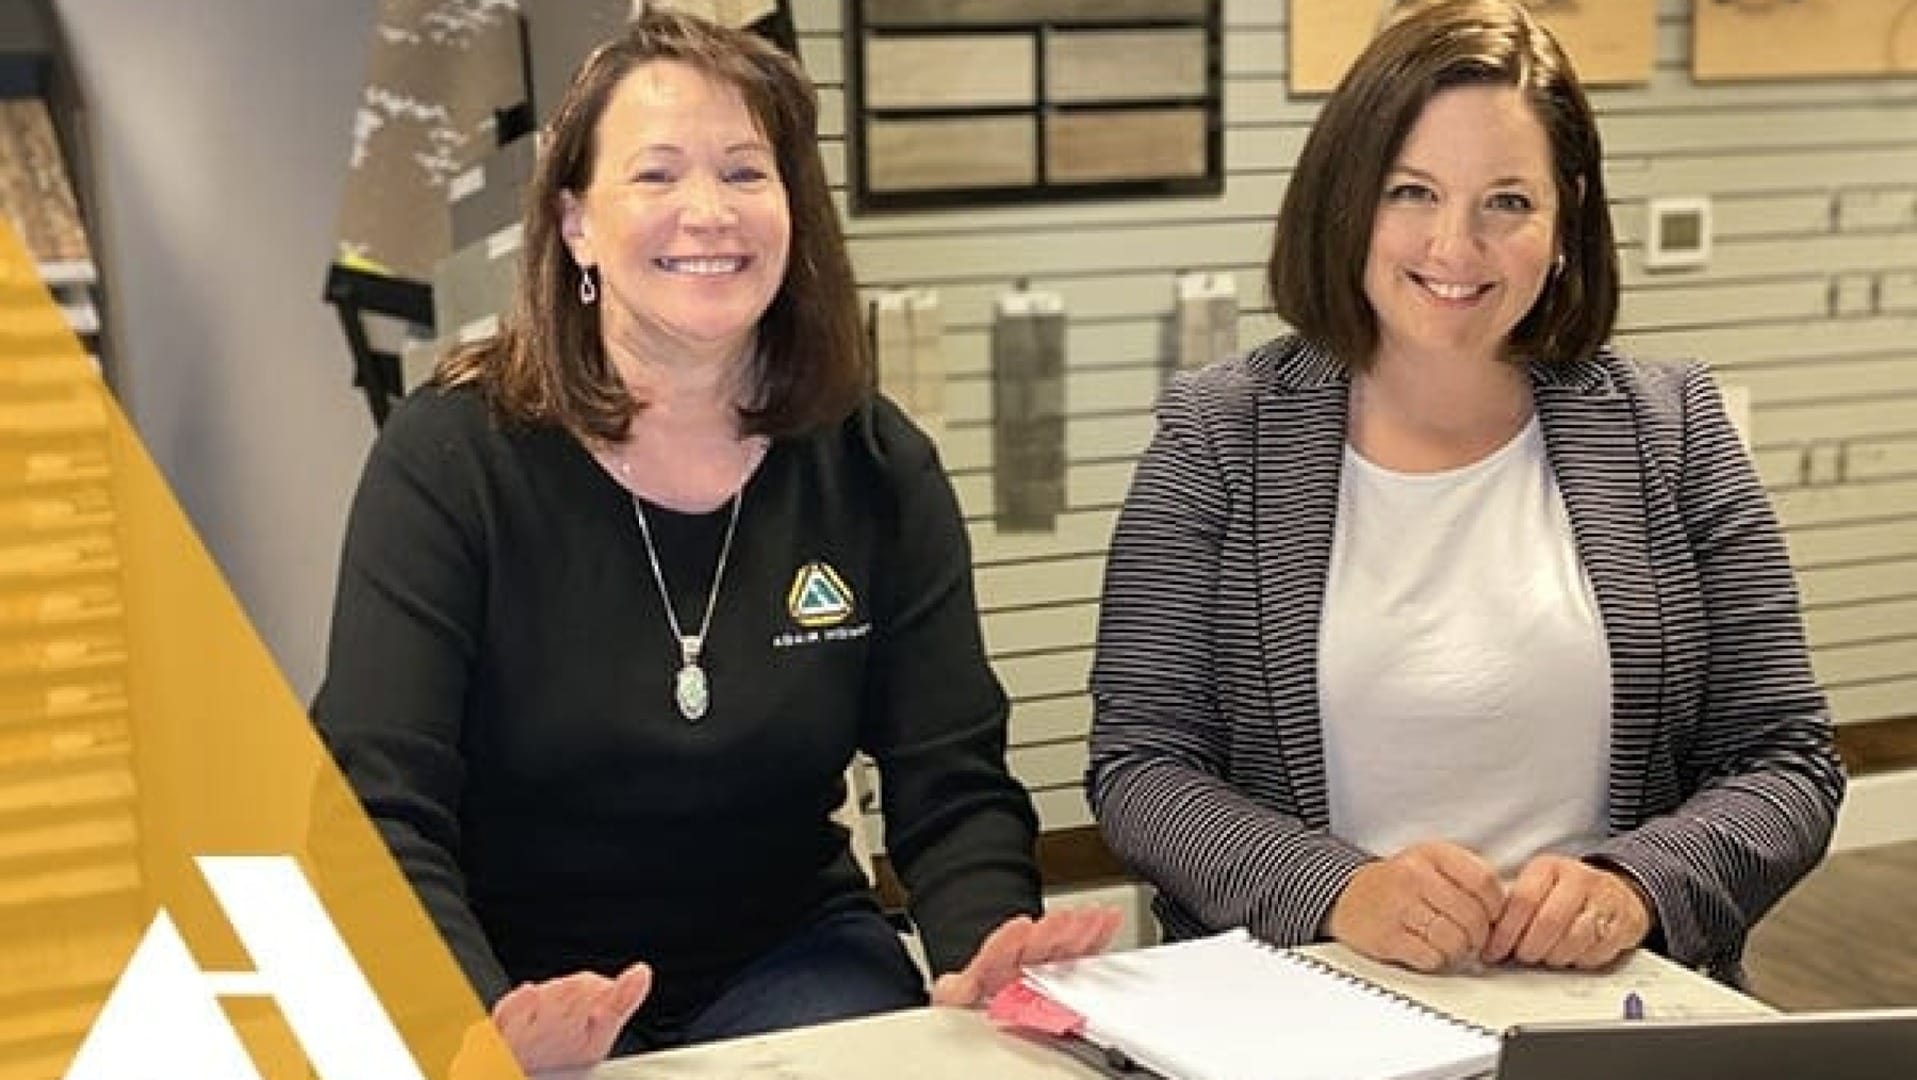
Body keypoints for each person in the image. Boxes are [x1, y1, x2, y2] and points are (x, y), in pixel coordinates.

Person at [313, 11, 1116, 1072]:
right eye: (655, 175)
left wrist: (984, 953)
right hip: (515, 975)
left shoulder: (874, 466)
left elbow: (951, 778)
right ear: (574, 224)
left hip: (792, 962)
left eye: (746, 171)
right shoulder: (452, 460)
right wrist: (472, 1021)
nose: (708, 212)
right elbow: (376, 804)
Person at [1087, 0, 1843, 988]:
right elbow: (1142, 770)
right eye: (1413, 191)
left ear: (1566, 214)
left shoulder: (1675, 429)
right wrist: (1335, 890)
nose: (1455, 245)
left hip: (1605, 1004)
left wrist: (1638, 885)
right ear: (1348, 196)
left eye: (1508, 203)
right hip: (1301, 997)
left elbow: (1787, 762)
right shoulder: (1218, 437)